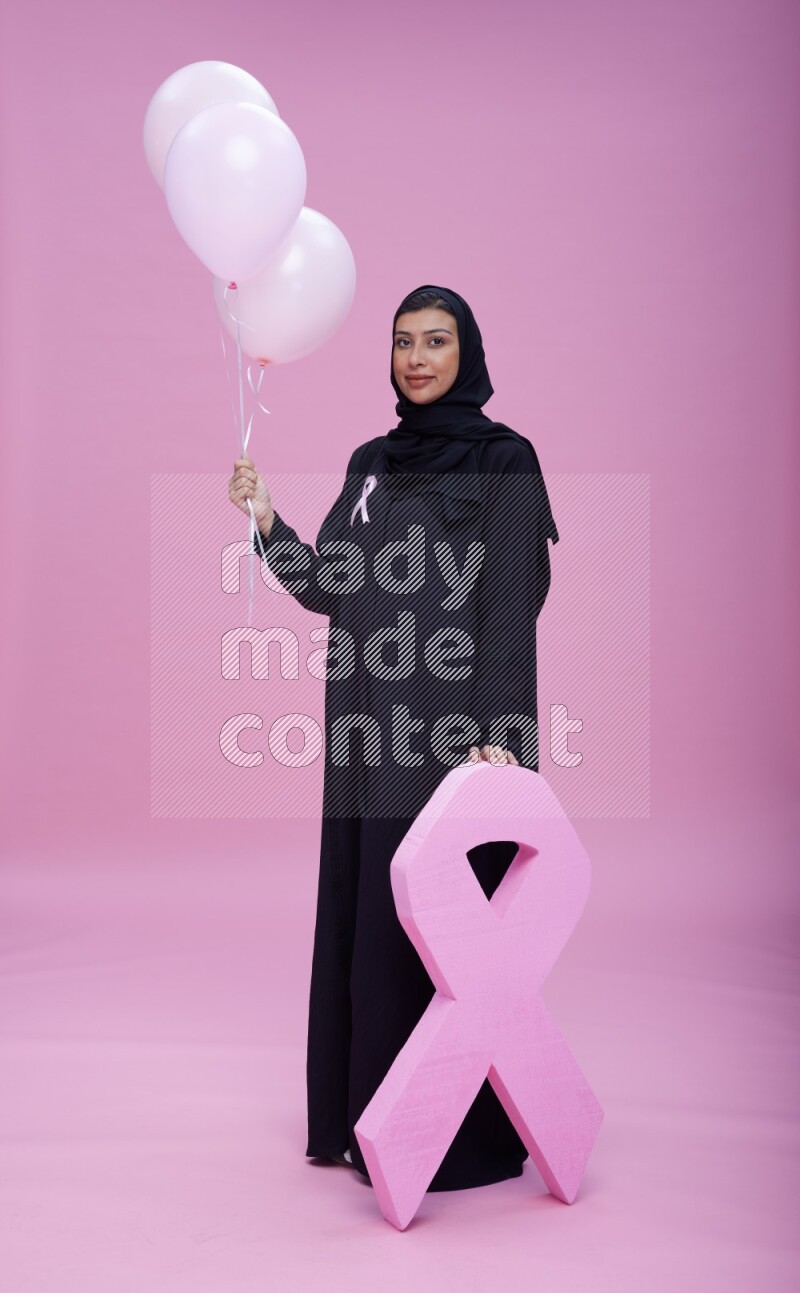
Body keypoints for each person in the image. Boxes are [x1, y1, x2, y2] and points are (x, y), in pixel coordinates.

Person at [228, 284, 559, 1191]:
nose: (416, 358)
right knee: (371, 925)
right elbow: (331, 582)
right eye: (403, 342)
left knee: (442, 938)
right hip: (368, 730)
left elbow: (510, 607)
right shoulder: (371, 461)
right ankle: (371, 1123)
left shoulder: (506, 462)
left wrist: (498, 735)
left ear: (468, 354)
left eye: (436, 341)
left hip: (452, 740)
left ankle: (457, 1142)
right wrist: (266, 523)